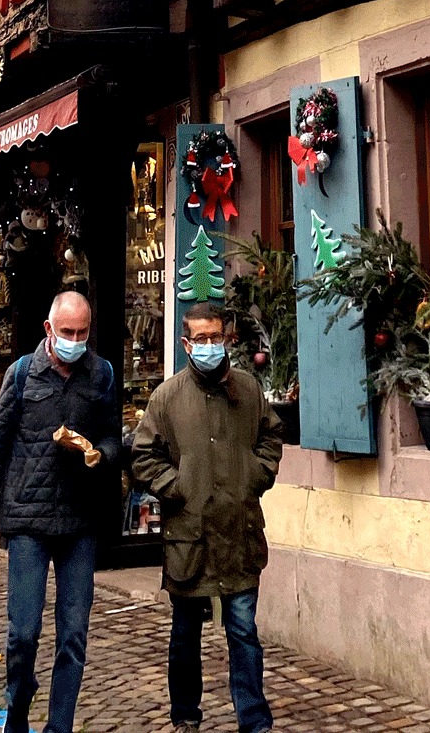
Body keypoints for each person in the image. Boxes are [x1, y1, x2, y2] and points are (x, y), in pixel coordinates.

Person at [0, 288, 121, 733]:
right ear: (49, 330)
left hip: (80, 522)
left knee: (73, 635)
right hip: (28, 521)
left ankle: (60, 727)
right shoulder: (21, 375)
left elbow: (114, 437)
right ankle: (17, 706)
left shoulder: (102, 376)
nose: (75, 340)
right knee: (23, 634)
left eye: (83, 332)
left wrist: (100, 454)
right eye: (67, 331)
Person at [130, 303, 284, 733]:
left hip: (239, 533)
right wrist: (177, 486)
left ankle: (255, 722)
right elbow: (143, 457)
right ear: (186, 343)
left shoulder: (248, 389)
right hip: (189, 538)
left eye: (216, 337)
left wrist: (257, 474)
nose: (210, 346)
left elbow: (272, 434)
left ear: (227, 339)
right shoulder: (167, 397)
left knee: (243, 633)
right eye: (201, 339)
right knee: (184, 637)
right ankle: (185, 715)